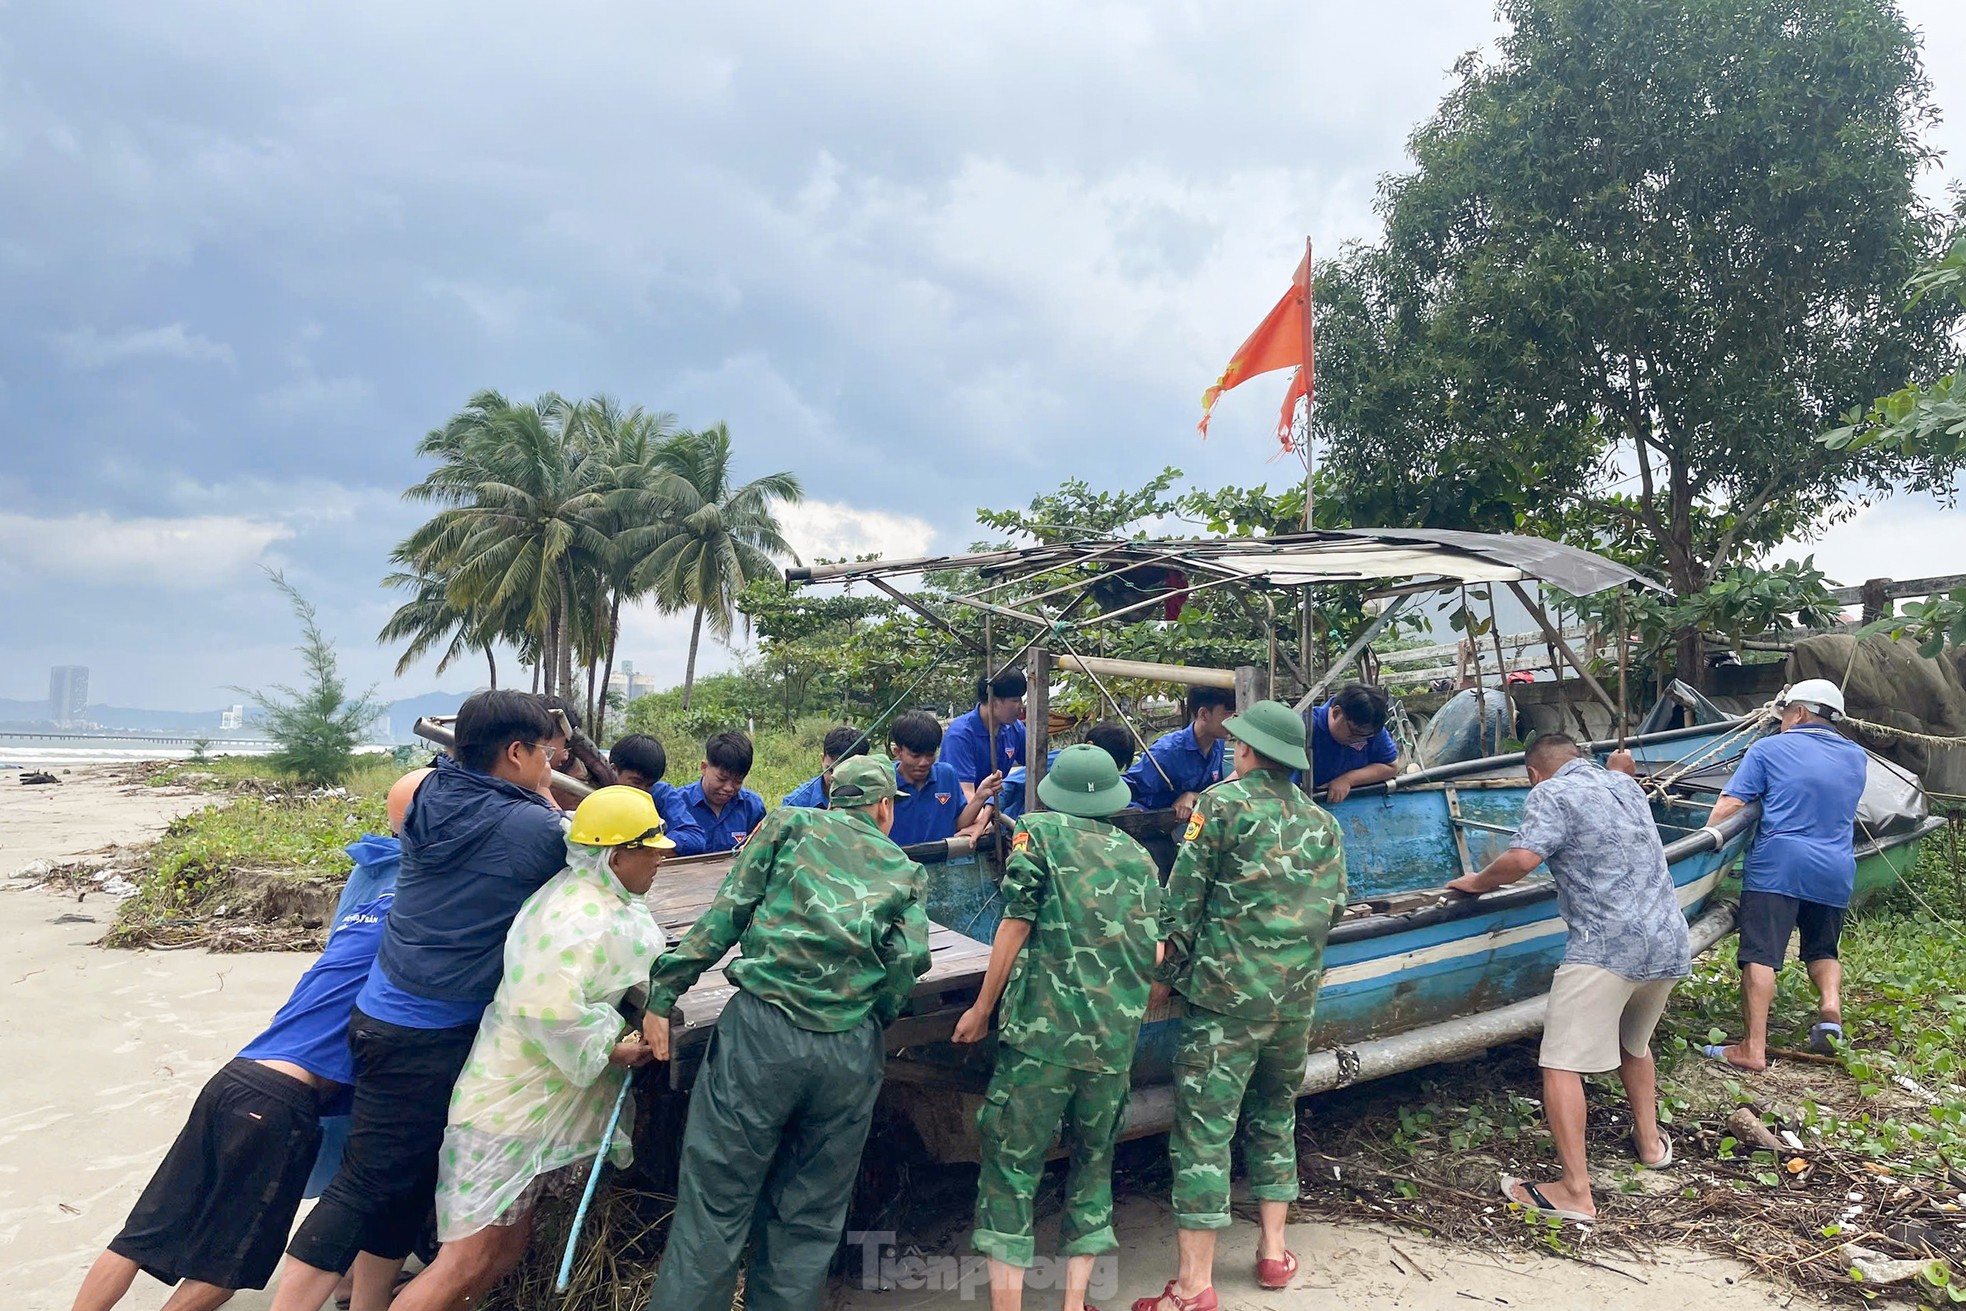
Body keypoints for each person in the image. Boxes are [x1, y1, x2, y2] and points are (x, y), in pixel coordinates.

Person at [269, 689, 570, 1311]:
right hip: (428, 1034)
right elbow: (587, 870)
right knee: (362, 1186)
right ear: (515, 752)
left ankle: (369, 1302)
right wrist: (543, 793)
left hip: (381, 1013)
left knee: (395, 1181)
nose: (552, 762)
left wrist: (530, 783)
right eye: (544, 752)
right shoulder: (531, 826)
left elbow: (412, 781)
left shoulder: (429, 797)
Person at [639, 755, 933, 1311]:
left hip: (762, 1036)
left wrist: (664, 991)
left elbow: (726, 914)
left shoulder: (789, 824)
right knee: (810, 1219)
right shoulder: (904, 868)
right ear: (885, 808)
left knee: (716, 1207)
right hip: (848, 1052)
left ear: (832, 795)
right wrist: (873, 1016)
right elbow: (907, 959)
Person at [391, 787, 673, 1310]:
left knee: (503, 1250)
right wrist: (615, 1049)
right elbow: (547, 1008)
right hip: (510, 1109)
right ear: (616, 856)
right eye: (651, 849)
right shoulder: (577, 917)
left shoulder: (601, 900)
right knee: (464, 1260)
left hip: (537, 1105)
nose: (661, 858)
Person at [69, 892, 396, 1311]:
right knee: (230, 1267)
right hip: (283, 1103)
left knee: (140, 1236)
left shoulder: (356, 926)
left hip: (232, 1078)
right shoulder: (407, 949)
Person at [1136, 700, 1347, 1311]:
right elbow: (1333, 910)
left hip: (1225, 1001)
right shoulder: (1322, 824)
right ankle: (1274, 1254)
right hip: (1293, 1000)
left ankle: (1194, 1286)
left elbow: (1182, 904)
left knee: (1204, 1131)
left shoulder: (1220, 806)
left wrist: (1164, 976)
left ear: (1250, 752)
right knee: (1274, 1114)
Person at [952, 745, 1162, 1311]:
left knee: (1012, 1168)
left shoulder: (1039, 834)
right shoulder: (1140, 858)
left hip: (1041, 1040)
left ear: (1054, 792)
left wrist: (981, 1008)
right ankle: (1075, 1304)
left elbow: (1016, 922)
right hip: (1111, 1046)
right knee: (1094, 1166)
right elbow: (1156, 952)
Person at [1445, 734, 1687, 1224]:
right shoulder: (1626, 787)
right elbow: (1622, 773)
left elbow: (1522, 860)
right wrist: (1623, 769)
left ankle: (1575, 1192)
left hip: (1605, 947)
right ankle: (1649, 1144)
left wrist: (1472, 882)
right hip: (1668, 939)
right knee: (1632, 1045)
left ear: (1534, 773)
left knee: (1559, 1063)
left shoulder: (1550, 792)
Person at [1704, 679, 1868, 1071]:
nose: (1779, 723)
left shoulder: (1769, 749)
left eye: (1783, 716)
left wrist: (1701, 844)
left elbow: (1730, 804)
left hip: (1779, 865)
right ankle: (1829, 1006)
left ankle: (1752, 1049)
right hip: (1836, 867)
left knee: (1761, 955)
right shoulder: (1857, 756)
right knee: (1822, 950)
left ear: (1798, 713)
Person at [889, 710, 999, 845]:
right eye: (915, 756)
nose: (924, 762)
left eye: (930, 755)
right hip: (900, 861)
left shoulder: (946, 775)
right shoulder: (886, 782)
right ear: (898, 752)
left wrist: (980, 796)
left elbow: (958, 822)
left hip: (941, 860)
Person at [1125, 688, 1234, 816]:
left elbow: (1214, 791)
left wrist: (1193, 796)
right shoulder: (1166, 752)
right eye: (1229, 715)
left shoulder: (1218, 744)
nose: (1234, 721)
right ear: (1204, 714)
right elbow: (1126, 790)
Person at [1001, 722, 1134, 823]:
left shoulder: (1105, 784)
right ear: (1090, 745)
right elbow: (1009, 785)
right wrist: (991, 815)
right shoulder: (1059, 762)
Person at [609, 733, 708, 855]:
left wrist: (647, 849)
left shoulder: (661, 794)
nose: (642, 791)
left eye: (649, 785)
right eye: (636, 782)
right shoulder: (591, 796)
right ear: (613, 770)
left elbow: (695, 838)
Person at [1305, 683, 1399, 802]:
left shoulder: (1369, 729)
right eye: (1355, 732)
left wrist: (1348, 779)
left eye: (1366, 736)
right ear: (1336, 713)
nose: (1360, 740)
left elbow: (1391, 766)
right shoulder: (1305, 727)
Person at [678, 730, 768, 855]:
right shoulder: (678, 804)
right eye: (722, 779)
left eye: (738, 781)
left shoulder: (753, 808)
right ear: (704, 768)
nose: (729, 788)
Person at [943, 670, 1029, 800]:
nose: (1021, 706)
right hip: (965, 811)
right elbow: (965, 794)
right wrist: (986, 818)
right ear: (993, 702)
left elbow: (1037, 762)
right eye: (1016, 700)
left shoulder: (1015, 729)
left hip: (996, 803)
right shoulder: (960, 736)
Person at [782, 725, 872, 809]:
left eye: (844, 773)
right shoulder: (794, 806)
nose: (834, 778)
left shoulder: (876, 800)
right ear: (822, 759)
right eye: (830, 770)